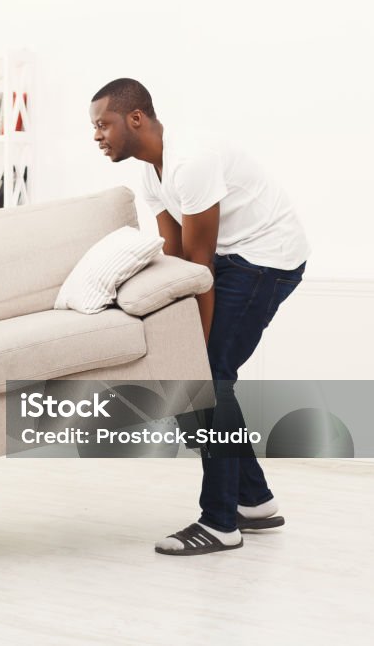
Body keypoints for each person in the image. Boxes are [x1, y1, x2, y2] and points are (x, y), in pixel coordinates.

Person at [89, 79, 310, 555]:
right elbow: (175, 260)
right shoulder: (151, 174)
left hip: (266, 259)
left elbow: (201, 266)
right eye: (94, 127)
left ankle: (220, 523)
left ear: (136, 119)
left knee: (210, 379)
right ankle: (254, 502)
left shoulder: (190, 161)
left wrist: (195, 356)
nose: (96, 136)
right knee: (203, 378)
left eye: (103, 124)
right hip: (225, 262)